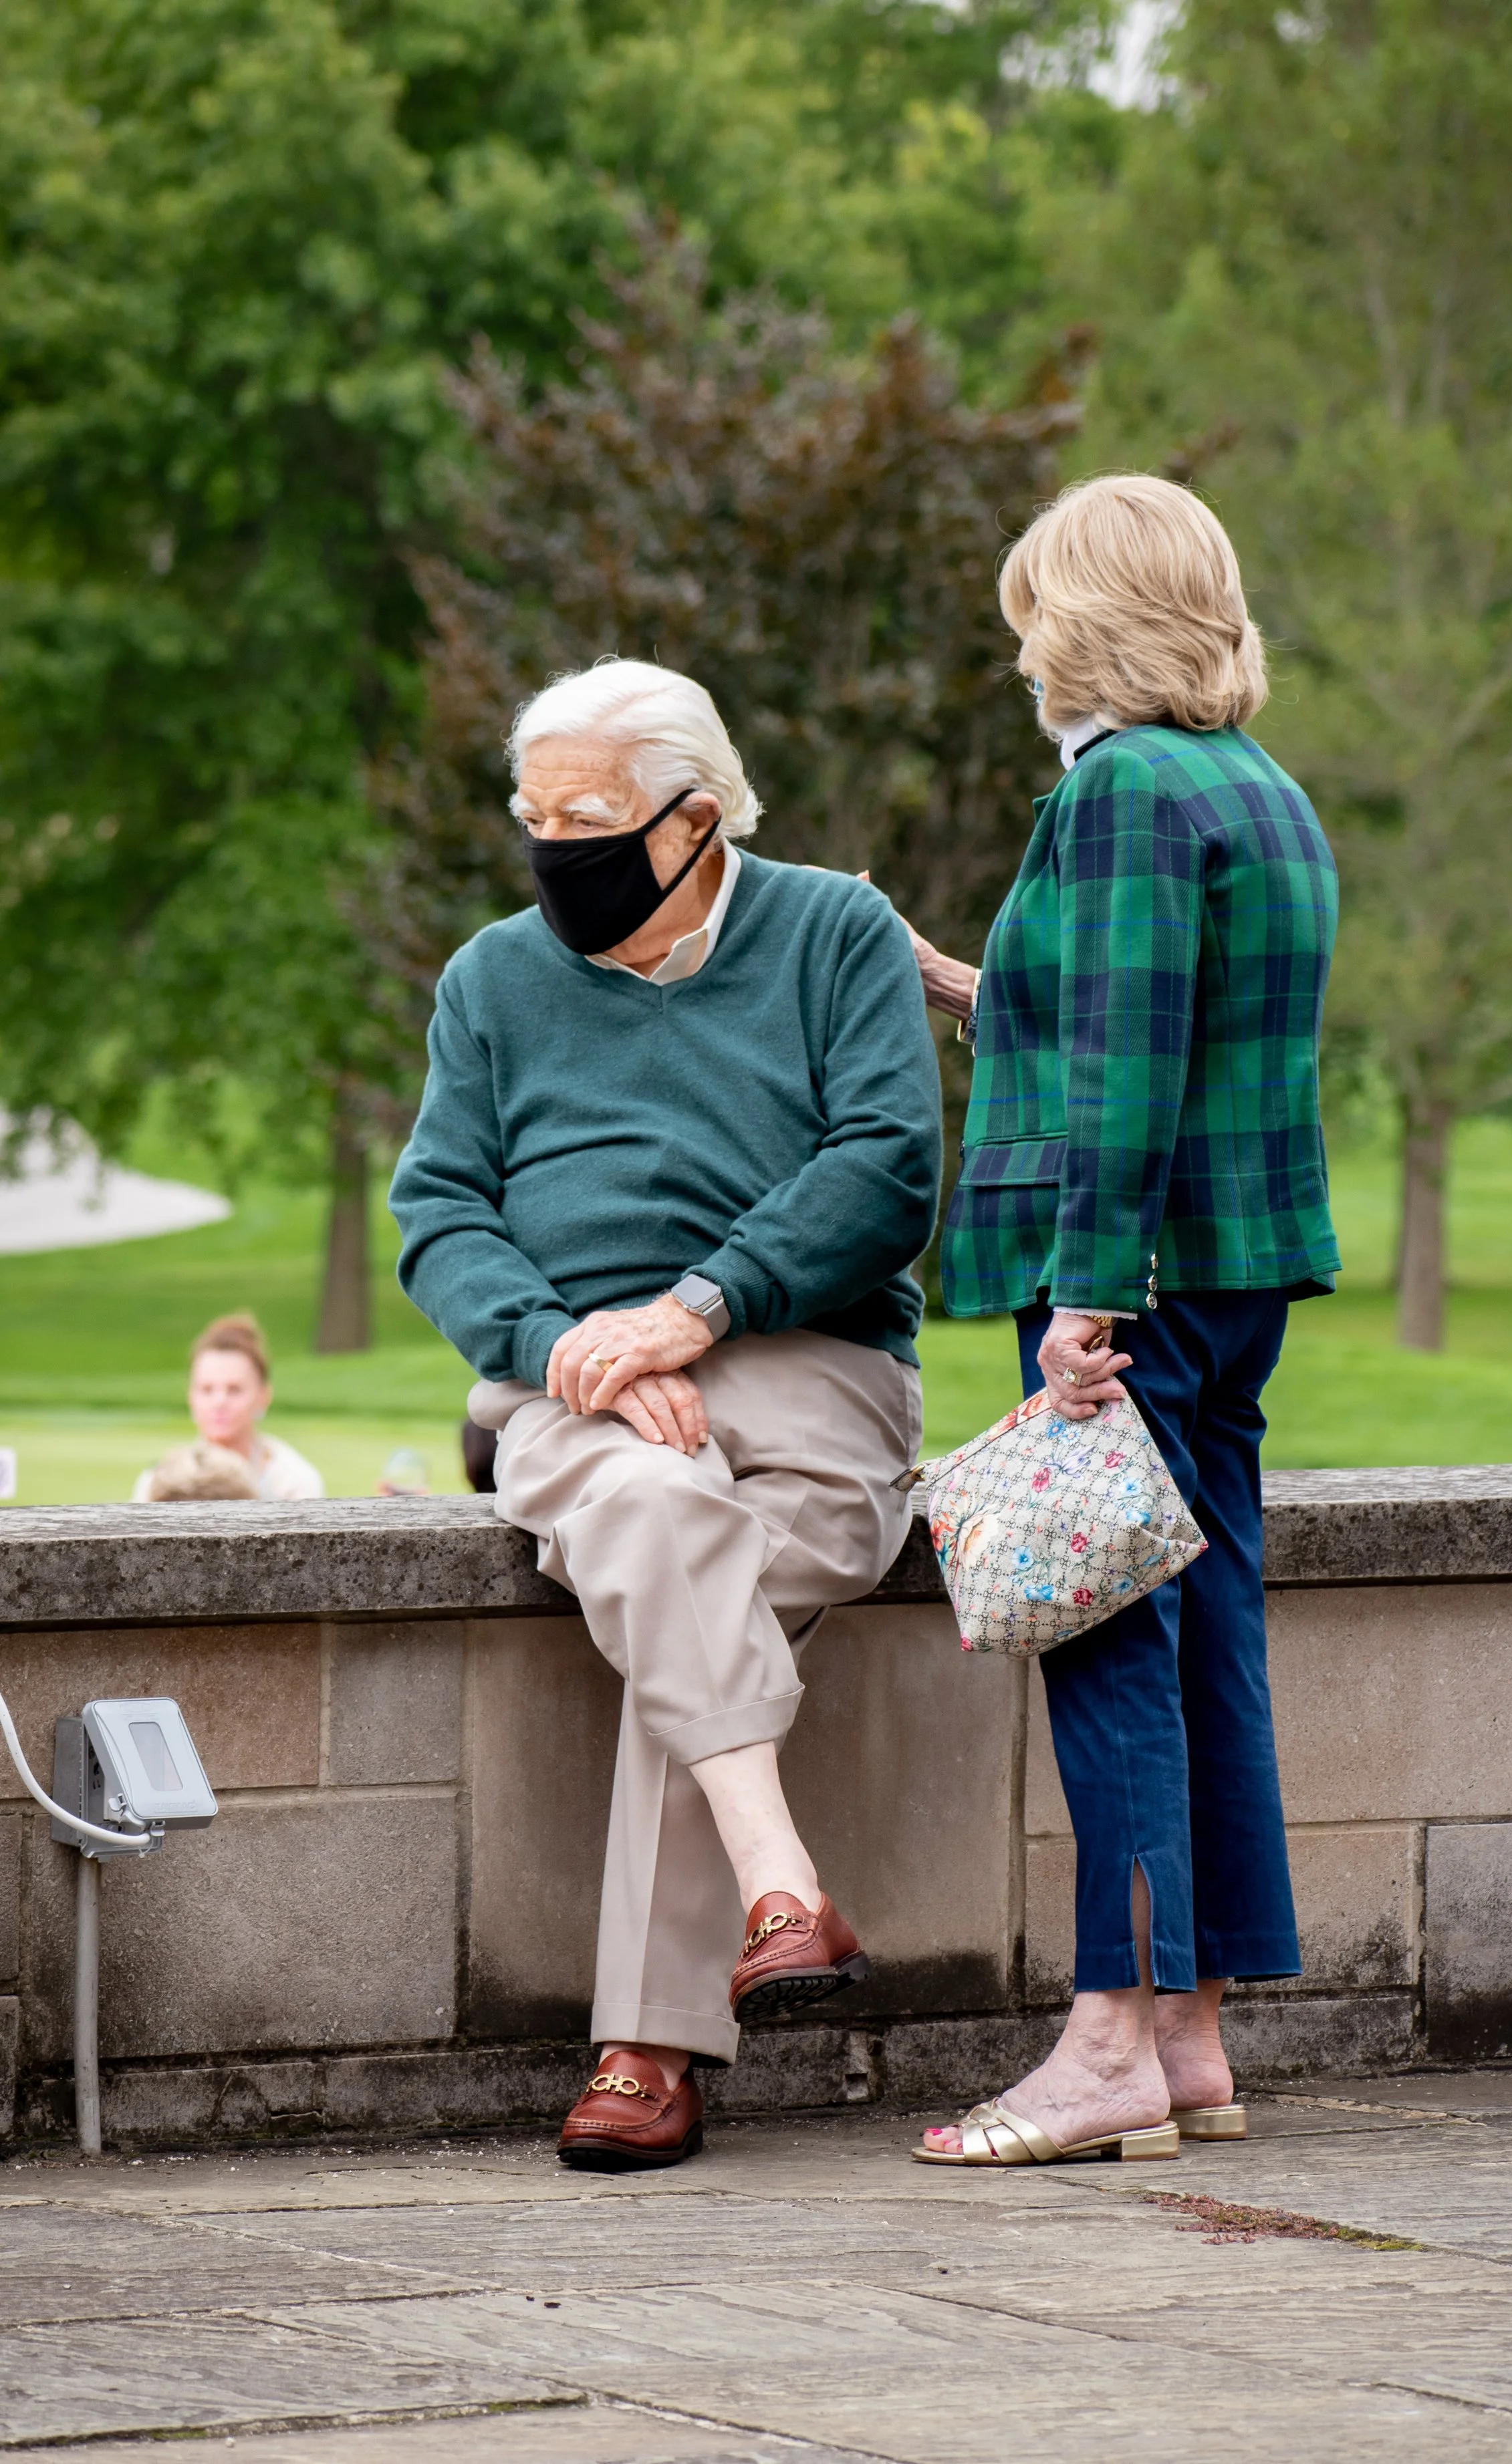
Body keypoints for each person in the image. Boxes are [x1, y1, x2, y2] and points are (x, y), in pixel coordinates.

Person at [389, 658, 941, 2173]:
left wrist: (696, 1308)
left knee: (697, 1573)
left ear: (696, 819)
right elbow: (437, 1211)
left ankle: (675, 2013)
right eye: (533, 812)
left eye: (588, 814)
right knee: (651, 1513)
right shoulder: (491, 977)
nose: (552, 841)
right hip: (571, 1376)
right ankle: (739, 1929)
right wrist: (578, 1339)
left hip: (809, 1353)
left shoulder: (834, 932)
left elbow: (888, 1164)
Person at [901, 475, 1340, 2168]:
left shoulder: (1126, 792)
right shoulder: (1255, 788)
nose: (1022, 653)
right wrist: (967, 984)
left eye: (1033, 618)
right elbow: (1150, 1019)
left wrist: (1084, 1301)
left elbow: (1138, 1070)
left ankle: (1105, 2048)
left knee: (1106, 1646)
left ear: (1080, 619)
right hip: (1231, 1280)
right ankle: (1192, 2035)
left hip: (1129, 1289)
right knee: (1211, 1628)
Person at [134, 1314, 324, 1504]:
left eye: (234, 1390)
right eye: (207, 1390)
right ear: (190, 1396)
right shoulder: (157, 1481)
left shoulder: (294, 1483)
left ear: (263, 1396)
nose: (220, 1402)